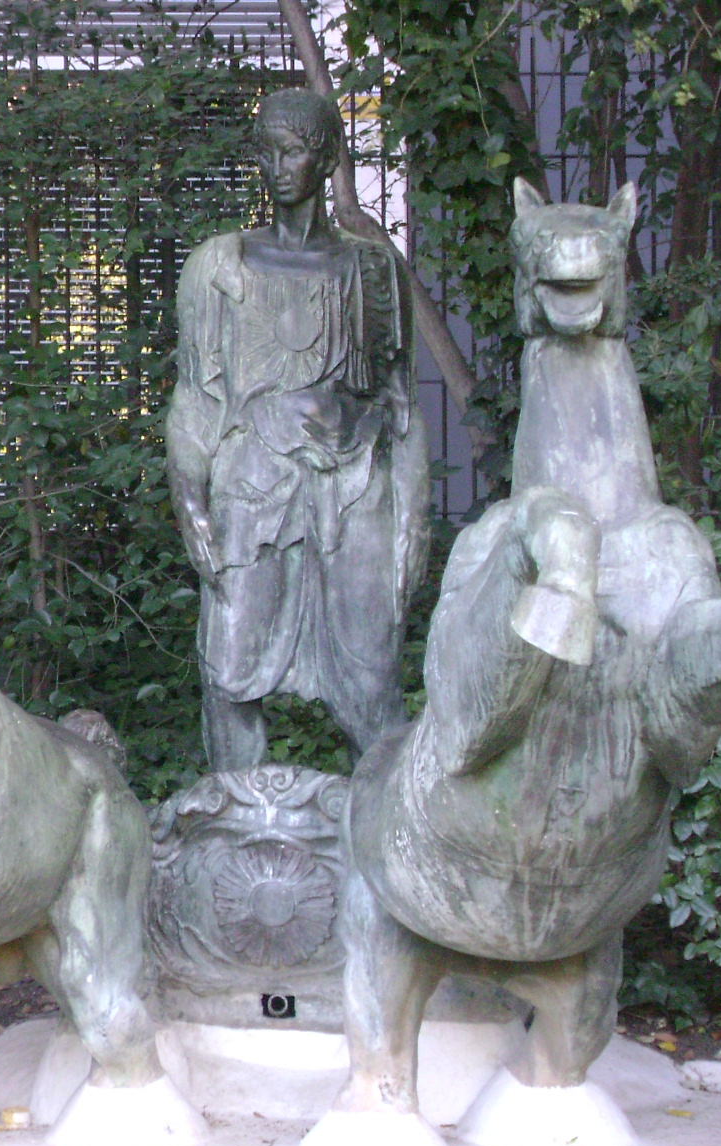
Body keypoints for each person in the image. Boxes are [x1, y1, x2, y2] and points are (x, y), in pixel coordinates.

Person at [166, 87, 430, 772]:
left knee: (371, 686)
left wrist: (413, 522)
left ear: (328, 157)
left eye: (293, 150)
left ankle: (381, 842)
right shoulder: (218, 269)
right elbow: (195, 401)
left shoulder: (373, 271)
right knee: (229, 671)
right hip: (251, 492)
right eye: (265, 151)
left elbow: (401, 409)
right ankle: (235, 830)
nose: (277, 166)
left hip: (354, 490)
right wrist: (189, 499)